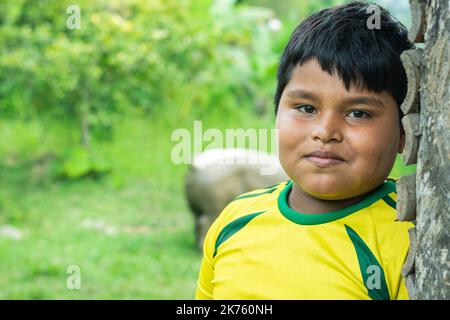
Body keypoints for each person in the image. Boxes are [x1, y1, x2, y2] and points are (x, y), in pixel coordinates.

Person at [195, 1, 415, 300]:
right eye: (306, 108)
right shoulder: (234, 221)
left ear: (405, 133)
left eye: (358, 114)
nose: (325, 132)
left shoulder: (409, 238)